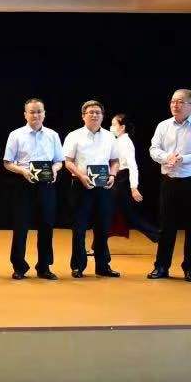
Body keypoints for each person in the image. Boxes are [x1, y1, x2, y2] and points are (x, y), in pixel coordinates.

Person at [147, 88, 191, 283]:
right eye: (173, 101)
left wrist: (182, 159)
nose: (175, 105)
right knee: (166, 227)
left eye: (180, 102)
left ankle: (190, 269)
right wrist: (167, 157)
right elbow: (153, 149)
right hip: (170, 181)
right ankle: (161, 267)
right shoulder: (163, 126)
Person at [3, 98, 64, 280]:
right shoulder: (16, 135)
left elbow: (59, 161)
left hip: (46, 184)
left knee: (47, 225)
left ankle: (44, 267)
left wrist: (55, 169)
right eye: (32, 112)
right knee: (20, 226)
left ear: (44, 114)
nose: (36, 115)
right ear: (25, 114)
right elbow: (7, 162)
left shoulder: (52, 135)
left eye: (39, 111)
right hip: (23, 184)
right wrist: (22, 171)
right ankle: (19, 267)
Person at [63, 100, 121, 279]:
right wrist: (81, 176)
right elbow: (68, 162)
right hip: (81, 185)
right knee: (79, 228)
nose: (94, 115)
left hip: (103, 186)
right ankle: (78, 266)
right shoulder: (74, 136)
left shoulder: (110, 136)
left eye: (98, 112)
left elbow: (115, 161)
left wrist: (113, 175)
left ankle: (103, 266)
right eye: (91, 112)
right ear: (83, 116)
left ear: (103, 116)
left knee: (103, 227)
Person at [110, 113, 160, 243]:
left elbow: (132, 166)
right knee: (114, 213)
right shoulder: (118, 141)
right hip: (117, 179)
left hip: (122, 180)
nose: (111, 127)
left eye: (114, 124)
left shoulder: (126, 142)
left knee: (127, 215)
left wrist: (134, 187)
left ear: (122, 127)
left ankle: (159, 236)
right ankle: (98, 245)